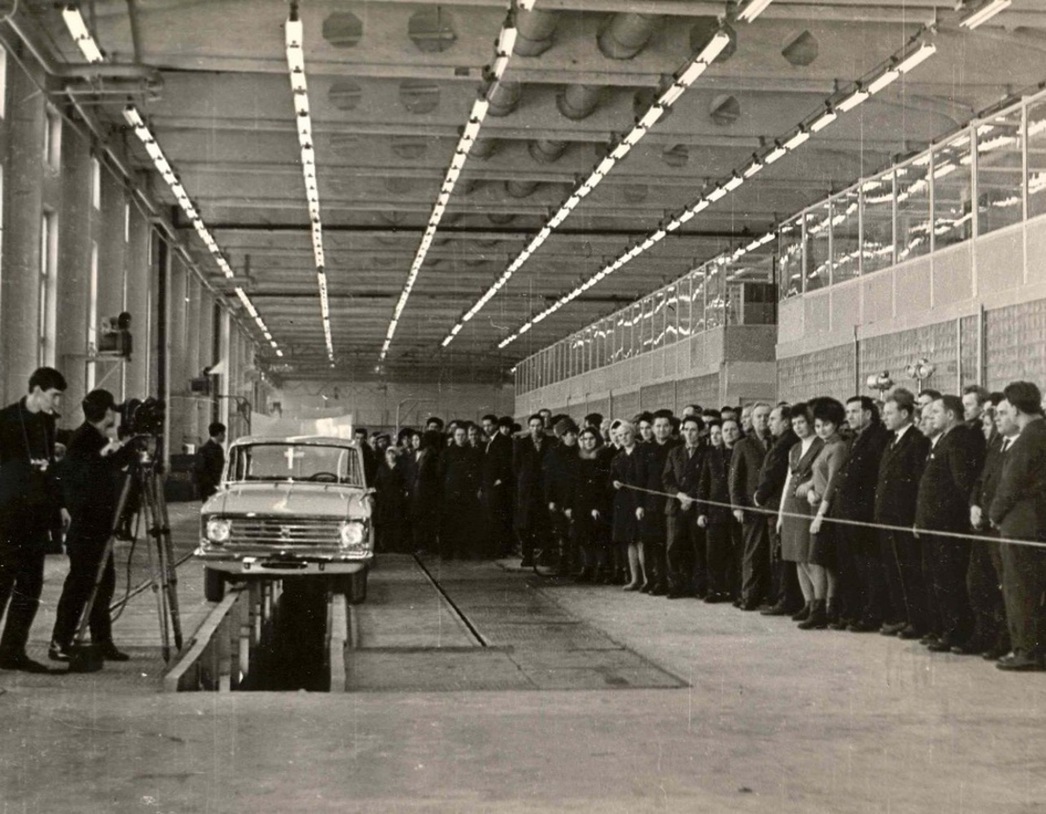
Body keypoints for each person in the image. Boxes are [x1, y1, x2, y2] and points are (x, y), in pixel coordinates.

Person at [49, 389, 139, 663]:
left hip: (96, 525)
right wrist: (127, 452)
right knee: (80, 585)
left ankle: (102, 642)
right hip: (87, 526)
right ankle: (60, 642)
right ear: (106, 412)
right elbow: (93, 476)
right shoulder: (84, 439)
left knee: (102, 585)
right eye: (112, 409)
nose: (115, 414)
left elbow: (100, 470)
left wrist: (121, 452)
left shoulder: (92, 438)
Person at [0, 367, 68, 673]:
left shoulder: (46, 423)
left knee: (30, 585)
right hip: (7, 516)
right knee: (2, 583)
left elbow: (50, 468)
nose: (57, 402)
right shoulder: (5, 420)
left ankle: (12, 651)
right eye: (54, 395)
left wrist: (59, 506)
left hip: (35, 517)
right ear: (37, 390)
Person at [914, 395, 984, 652]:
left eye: (935, 412)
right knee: (938, 580)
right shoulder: (945, 439)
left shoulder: (958, 440)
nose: (930, 417)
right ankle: (944, 628)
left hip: (947, 526)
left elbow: (962, 485)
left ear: (951, 415)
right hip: (934, 525)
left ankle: (956, 632)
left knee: (950, 580)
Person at [990, 383, 1046, 671]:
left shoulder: (1027, 440)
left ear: (1014, 408)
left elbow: (1011, 484)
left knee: (1020, 591)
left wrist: (994, 514)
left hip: (1021, 525)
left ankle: (1026, 651)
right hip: (1038, 523)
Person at [831, 396, 893, 632]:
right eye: (848, 412)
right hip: (846, 512)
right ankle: (852, 611)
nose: (850, 416)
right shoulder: (855, 439)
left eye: (854, 412)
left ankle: (871, 614)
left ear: (868, 414)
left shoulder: (877, 438)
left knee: (868, 567)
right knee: (849, 566)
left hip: (863, 513)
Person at [875, 388, 932, 640]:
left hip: (904, 517)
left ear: (905, 413)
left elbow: (920, 482)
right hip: (887, 517)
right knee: (893, 570)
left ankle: (916, 620)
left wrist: (916, 518)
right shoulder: (893, 440)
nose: (884, 418)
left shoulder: (916, 441)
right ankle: (901, 615)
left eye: (889, 413)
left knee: (909, 570)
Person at [966, 399, 1014, 659]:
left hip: (999, 527)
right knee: (977, 583)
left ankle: (1004, 639)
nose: (994, 422)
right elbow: (980, 480)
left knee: (1003, 586)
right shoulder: (996, 446)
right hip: (982, 527)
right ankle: (984, 633)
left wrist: (994, 513)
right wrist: (974, 505)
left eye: (1000, 415)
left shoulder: (1017, 447)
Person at [777, 402, 824, 626]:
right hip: (791, 506)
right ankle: (807, 602)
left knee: (808, 558)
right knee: (797, 557)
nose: (798, 427)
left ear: (810, 422)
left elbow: (822, 475)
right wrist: (780, 514)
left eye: (801, 422)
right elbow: (788, 481)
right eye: (794, 423)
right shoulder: (794, 448)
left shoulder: (821, 444)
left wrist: (812, 488)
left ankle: (819, 605)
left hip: (808, 506)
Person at [805, 398, 850, 629]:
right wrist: (811, 490)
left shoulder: (838, 447)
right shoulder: (825, 446)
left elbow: (833, 482)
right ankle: (828, 609)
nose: (821, 429)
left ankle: (821, 608)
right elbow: (819, 478)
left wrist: (821, 514)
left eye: (826, 425)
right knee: (825, 562)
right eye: (818, 425)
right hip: (818, 506)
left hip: (828, 510)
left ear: (836, 424)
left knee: (818, 561)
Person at [754, 404, 801, 616]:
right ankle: (782, 597)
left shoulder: (784, 444)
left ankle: (785, 599)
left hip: (777, 506)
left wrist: (760, 495)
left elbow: (773, 473)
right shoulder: (782, 441)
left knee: (780, 554)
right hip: (775, 506)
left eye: (773, 419)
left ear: (785, 422)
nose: (768, 423)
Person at [729, 402, 773, 610]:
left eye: (767, 417)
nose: (763, 420)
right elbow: (734, 478)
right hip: (750, 508)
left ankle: (769, 596)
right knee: (752, 553)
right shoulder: (743, 445)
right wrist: (736, 506)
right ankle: (749, 596)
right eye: (759, 417)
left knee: (771, 553)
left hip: (772, 507)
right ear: (751, 420)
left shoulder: (776, 442)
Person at [663, 415, 706, 599]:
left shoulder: (706, 452)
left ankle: (697, 586)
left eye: (693, 430)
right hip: (676, 506)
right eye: (686, 430)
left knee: (697, 547)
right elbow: (666, 479)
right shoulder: (674, 452)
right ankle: (675, 586)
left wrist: (691, 497)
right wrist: (678, 495)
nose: (689, 433)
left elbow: (705, 479)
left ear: (701, 432)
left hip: (696, 507)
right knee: (673, 548)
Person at [697, 420, 738, 602]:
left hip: (736, 512)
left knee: (735, 552)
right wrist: (701, 512)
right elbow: (703, 484)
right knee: (714, 553)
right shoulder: (711, 455)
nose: (729, 433)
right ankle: (715, 590)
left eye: (733, 430)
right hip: (715, 513)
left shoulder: (741, 451)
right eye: (725, 430)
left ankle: (734, 591)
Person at [637, 410, 678, 594]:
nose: (662, 429)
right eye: (658, 426)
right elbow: (639, 479)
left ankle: (663, 582)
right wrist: (639, 504)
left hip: (670, 502)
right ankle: (651, 580)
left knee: (665, 544)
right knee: (649, 543)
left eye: (665, 426)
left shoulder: (676, 447)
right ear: (653, 429)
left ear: (671, 428)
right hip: (650, 503)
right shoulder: (644, 450)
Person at [571, 427, 613, 582]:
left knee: (599, 537)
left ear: (597, 439)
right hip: (581, 504)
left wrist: (598, 506)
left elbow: (603, 484)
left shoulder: (602, 457)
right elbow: (574, 484)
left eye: (591, 438)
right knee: (584, 537)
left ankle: (601, 568)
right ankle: (587, 567)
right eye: (584, 439)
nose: (588, 442)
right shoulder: (578, 458)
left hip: (597, 504)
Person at [513, 414, 553, 568]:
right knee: (526, 524)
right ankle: (527, 555)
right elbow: (516, 466)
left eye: (538, 425)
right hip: (527, 489)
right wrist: (525, 478)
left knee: (545, 523)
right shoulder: (521, 443)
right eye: (532, 426)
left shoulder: (551, 442)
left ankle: (546, 555)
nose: (535, 429)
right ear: (528, 427)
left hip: (545, 488)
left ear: (543, 426)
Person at [610, 421, 645, 590]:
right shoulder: (618, 458)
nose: (623, 438)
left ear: (633, 434)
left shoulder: (643, 453)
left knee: (641, 541)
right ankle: (634, 579)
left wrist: (641, 505)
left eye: (626, 434)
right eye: (620, 435)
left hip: (641, 502)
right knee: (629, 541)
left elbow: (647, 479)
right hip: (624, 504)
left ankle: (647, 580)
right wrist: (614, 482)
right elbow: (611, 478)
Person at [439, 425, 481, 559]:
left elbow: (478, 472)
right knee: (449, 522)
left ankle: (463, 551)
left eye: (463, 435)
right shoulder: (446, 452)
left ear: (467, 437)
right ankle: (447, 551)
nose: (461, 437)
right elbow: (440, 472)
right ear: (454, 436)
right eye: (458, 435)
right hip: (450, 492)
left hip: (467, 492)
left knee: (465, 522)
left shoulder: (473, 452)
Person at [543, 418, 580, 570]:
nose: (575, 437)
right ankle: (563, 562)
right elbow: (549, 478)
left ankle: (576, 562)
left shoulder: (580, 452)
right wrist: (550, 499)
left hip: (576, 497)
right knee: (561, 531)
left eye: (576, 434)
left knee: (575, 531)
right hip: (559, 497)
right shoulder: (554, 453)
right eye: (571, 434)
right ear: (563, 436)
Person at [481, 416, 515, 558]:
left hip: (499, 487)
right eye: (484, 426)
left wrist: (500, 480)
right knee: (492, 517)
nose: (486, 428)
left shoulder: (504, 441)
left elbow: (509, 463)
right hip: (490, 485)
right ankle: (496, 548)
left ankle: (501, 549)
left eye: (489, 425)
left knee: (499, 517)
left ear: (496, 425)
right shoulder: (491, 441)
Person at [408, 429, 442, 556]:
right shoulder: (430, 452)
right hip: (423, 491)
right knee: (424, 519)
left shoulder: (428, 453)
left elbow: (423, 473)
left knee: (422, 519)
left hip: (422, 491)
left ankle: (423, 545)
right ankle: (424, 545)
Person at [374, 446, 410, 553]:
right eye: (389, 453)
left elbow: (405, 482)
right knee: (385, 522)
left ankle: (397, 545)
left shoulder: (400, 467)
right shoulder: (382, 467)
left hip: (397, 499)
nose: (391, 455)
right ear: (386, 455)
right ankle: (384, 546)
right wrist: (379, 493)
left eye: (393, 453)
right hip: (384, 499)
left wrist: (403, 492)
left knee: (397, 522)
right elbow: (377, 483)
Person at [194, 421, 226, 501]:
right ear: (219, 434)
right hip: (209, 488)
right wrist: (211, 486)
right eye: (223, 433)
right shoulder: (205, 450)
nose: (224, 436)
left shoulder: (218, 448)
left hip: (215, 486)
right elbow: (201, 470)